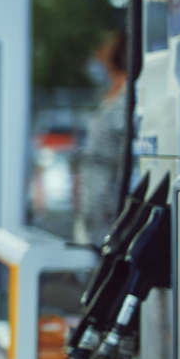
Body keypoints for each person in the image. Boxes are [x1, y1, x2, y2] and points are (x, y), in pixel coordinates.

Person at [74, 27, 127, 244]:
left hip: (109, 225)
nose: (97, 63)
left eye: (102, 56)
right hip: (98, 222)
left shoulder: (126, 103)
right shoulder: (113, 99)